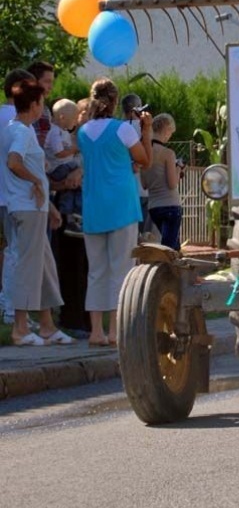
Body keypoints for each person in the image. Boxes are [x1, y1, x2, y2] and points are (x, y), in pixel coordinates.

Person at [77, 78, 152, 346]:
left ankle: (96, 331)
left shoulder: (83, 132)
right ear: (115, 101)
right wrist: (146, 129)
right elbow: (145, 159)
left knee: (96, 270)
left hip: (94, 207)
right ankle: (115, 331)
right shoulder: (123, 130)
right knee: (120, 268)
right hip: (121, 205)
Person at [0, 79, 73, 346]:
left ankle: (47, 325)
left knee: (44, 267)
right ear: (33, 104)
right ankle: (21, 328)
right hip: (27, 208)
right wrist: (33, 181)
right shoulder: (22, 132)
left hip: (33, 207)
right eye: (42, 103)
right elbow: (14, 162)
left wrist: (49, 206)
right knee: (29, 269)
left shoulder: (15, 129)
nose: (44, 108)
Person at [0, 68, 36, 324]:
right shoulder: (20, 120)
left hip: (5, 194)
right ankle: (12, 310)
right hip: (17, 195)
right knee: (17, 253)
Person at [142, 113, 184, 251]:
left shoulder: (144, 152)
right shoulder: (168, 153)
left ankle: (173, 271)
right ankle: (166, 272)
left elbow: (144, 184)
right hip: (170, 205)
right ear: (166, 130)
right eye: (170, 133)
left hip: (154, 207)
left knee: (172, 246)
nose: (170, 136)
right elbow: (172, 184)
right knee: (170, 249)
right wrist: (178, 168)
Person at [45, 98, 82, 226]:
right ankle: (69, 213)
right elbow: (59, 153)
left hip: (64, 165)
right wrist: (74, 150)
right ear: (62, 117)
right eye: (73, 119)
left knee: (76, 183)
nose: (76, 122)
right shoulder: (54, 132)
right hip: (58, 168)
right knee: (79, 177)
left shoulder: (63, 131)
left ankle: (71, 213)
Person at [121, 91, 151, 235]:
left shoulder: (118, 128)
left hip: (125, 188)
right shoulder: (144, 127)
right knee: (143, 236)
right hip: (143, 187)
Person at [27, 60, 55, 149]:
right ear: (33, 81)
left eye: (52, 82)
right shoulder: (20, 109)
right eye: (47, 81)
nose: (51, 87)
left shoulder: (45, 110)